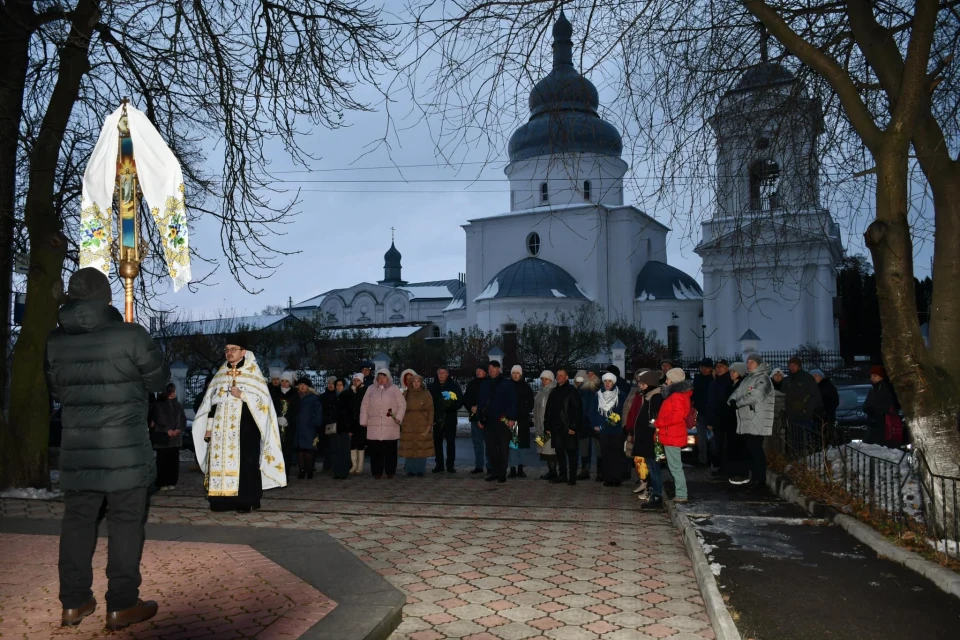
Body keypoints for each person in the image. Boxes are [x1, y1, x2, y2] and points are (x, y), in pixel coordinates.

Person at [46, 268, 169, 630]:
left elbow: (57, 391)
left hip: (79, 448)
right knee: (126, 524)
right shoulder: (130, 335)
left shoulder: (55, 340)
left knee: (77, 524)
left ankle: (74, 602)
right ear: (106, 298)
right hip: (125, 450)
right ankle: (122, 603)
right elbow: (158, 380)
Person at [193, 334, 287, 513]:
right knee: (219, 463)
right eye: (227, 350)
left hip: (246, 430)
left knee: (246, 464)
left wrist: (243, 395)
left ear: (243, 352)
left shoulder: (253, 375)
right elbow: (210, 405)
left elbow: (264, 403)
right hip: (221, 433)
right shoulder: (220, 375)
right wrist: (209, 428)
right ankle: (220, 502)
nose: (229, 353)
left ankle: (246, 501)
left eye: (233, 349)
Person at [728, 355, 776, 491]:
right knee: (751, 451)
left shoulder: (763, 378)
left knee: (756, 451)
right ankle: (754, 478)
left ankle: (760, 481)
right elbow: (737, 392)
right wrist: (731, 400)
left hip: (757, 419)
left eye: (752, 362)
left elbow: (756, 395)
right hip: (747, 420)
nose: (749, 365)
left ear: (759, 364)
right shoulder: (748, 379)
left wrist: (737, 403)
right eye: (748, 362)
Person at [628, 371, 665, 509]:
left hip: (651, 440)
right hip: (647, 439)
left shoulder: (655, 398)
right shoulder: (649, 397)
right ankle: (654, 494)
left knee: (654, 469)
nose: (640, 386)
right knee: (652, 468)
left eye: (642, 383)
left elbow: (654, 420)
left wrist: (648, 432)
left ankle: (657, 496)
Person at [359, 368, 405, 478]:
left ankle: (390, 471)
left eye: (383, 377)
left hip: (390, 425)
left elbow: (402, 404)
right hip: (374, 425)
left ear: (388, 378)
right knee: (375, 451)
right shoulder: (370, 389)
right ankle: (377, 472)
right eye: (379, 377)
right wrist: (363, 420)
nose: (381, 379)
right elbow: (364, 405)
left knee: (391, 450)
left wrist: (398, 417)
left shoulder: (394, 389)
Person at [477, 360, 518, 483]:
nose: (491, 370)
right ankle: (494, 471)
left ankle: (502, 473)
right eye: (489, 368)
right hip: (488, 420)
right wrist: (479, 418)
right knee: (491, 448)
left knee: (503, 448)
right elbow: (481, 402)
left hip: (503, 420)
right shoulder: (485, 383)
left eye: (493, 368)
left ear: (498, 369)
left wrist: (511, 418)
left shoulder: (506, 383)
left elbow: (512, 402)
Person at [656, 368, 693, 504]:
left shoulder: (677, 396)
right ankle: (681, 493)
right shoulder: (678, 395)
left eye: (668, 378)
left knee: (675, 467)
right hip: (672, 433)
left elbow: (676, 416)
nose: (666, 381)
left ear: (674, 380)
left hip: (672, 434)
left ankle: (682, 494)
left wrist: (659, 423)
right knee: (675, 466)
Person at [544, 368, 583, 485]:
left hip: (568, 428)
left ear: (566, 378)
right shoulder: (554, 392)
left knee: (571, 453)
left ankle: (572, 477)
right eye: (558, 375)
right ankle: (562, 475)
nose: (559, 377)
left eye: (561, 375)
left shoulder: (572, 391)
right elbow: (549, 410)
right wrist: (547, 426)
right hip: (556, 428)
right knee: (560, 454)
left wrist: (574, 427)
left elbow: (578, 410)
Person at [588, 372, 627, 486]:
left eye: (610, 381)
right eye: (605, 381)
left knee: (616, 454)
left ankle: (617, 478)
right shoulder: (598, 395)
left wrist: (614, 420)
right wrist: (595, 424)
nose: (607, 383)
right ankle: (608, 478)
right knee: (605, 454)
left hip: (616, 430)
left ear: (613, 382)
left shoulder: (620, 395)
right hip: (602, 431)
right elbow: (592, 411)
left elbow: (621, 411)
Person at [150, 383, 186, 490]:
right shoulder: (158, 405)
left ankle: (172, 481)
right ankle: (162, 482)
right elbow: (158, 419)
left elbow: (183, 419)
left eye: (174, 391)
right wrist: (167, 430)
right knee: (162, 461)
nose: (172, 394)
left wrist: (179, 429)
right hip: (163, 437)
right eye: (170, 391)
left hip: (175, 438)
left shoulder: (178, 405)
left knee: (173, 461)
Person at [428, 366, 463, 473]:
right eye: (439, 373)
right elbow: (429, 402)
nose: (441, 375)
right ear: (437, 374)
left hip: (450, 419)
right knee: (437, 443)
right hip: (437, 419)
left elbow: (460, 401)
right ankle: (439, 464)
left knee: (450, 443)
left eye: (444, 373)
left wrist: (449, 408)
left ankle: (450, 465)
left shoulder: (454, 386)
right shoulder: (432, 387)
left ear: (447, 374)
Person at [400, 374, 435, 477]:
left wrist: (429, 423)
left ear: (421, 383)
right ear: (411, 383)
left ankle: (420, 470)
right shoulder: (406, 393)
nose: (416, 383)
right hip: (409, 423)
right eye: (414, 381)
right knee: (409, 446)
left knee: (422, 446)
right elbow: (401, 408)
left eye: (418, 381)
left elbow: (431, 409)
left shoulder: (426, 393)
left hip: (422, 423)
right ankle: (410, 469)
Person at [705, 360, 735, 478]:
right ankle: (722, 468)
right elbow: (710, 402)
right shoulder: (715, 382)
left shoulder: (727, 382)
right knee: (719, 444)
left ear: (727, 368)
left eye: (721, 367)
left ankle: (726, 469)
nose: (718, 369)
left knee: (724, 445)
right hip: (716, 418)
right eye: (717, 367)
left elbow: (722, 402)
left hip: (724, 418)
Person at [781, 356, 823, 427]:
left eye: (794, 365)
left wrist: (807, 409)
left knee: (803, 435)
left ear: (799, 366)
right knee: (793, 435)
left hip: (804, 415)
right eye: (790, 365)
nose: (792, 367)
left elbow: (815, 395)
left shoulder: (807, 378)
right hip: (790, 415)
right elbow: (782, 394)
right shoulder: (787, 380)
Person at [294, 377, 323, 479]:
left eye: (305, 385)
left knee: (308, 450)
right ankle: (301, 470)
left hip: (309, 427)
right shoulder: (295, 396)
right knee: (299, 450)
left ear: (308, 387)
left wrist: (316, 424)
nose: (302, 387)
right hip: (297, 427)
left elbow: (318, 412)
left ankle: (309, 470)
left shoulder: (313, 398)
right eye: (301, 384)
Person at [509, 365, 535, 478]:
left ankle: (520, 467)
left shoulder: (526, 387)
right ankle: (512, 468)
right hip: (511, 420)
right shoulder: (507, 386)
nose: (515, 375)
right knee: (512, 445)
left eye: (517, 373)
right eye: (513, 373)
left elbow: (530, 403)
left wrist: (523, 411)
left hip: (523, 420)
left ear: (521, 374)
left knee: (522, 446)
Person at [863, 365, 899, 446]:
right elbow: (868, 402)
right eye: (871, 376)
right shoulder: (873, 389)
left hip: (884, 423)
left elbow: (890, 404)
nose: (872, 378)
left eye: (875, 375)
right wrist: (866, 408)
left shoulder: (887, 388)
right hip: (874, 422)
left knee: (881, 445)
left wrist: (874, 409)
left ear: (882, 376)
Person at [463, 366, 489, 474]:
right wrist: (470, 407)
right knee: (477, 443)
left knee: (489, 443)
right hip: (474, 417)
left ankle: (490, 466)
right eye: (477, 370)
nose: (478, 372)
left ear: (485, 372)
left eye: (481, 370)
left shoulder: (489, 383)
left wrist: (483, 408)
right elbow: (466, 399)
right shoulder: (471, 384)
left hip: (487, 417)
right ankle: (479, 466)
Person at [271, 371, 299, 472]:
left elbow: (296, 409)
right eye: (282, 381)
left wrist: (287, 418)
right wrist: (277, 418)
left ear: (290, 382)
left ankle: (286, 471)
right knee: (278, 448)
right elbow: (272, 407)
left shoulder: (294, 394)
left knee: (287, 449)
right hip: (277, 425)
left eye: (286, 381)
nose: (284, 383)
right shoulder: (275, 393)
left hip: (289, 426)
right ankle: (277, 471)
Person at [533, 370, 558, 479]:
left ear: (551, 379)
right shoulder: (541, 392)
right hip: (540, 426)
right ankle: (550, 471)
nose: (544, 381)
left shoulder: (553, 391)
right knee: (543, 451)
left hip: (548, 427)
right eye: (542, 379)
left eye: (546, 379)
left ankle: (554, 472)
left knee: (550, 451)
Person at [577, 369, 601, 481]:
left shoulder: (601, 388)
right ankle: (585, 471)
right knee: (584, 449)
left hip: (597, 423)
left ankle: (600, 472)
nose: (590, 376)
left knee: (599, 449)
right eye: (588, 374)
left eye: (593, 373)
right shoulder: (581, 389)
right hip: (584, 423)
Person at [692, 358, 714, 467]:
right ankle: (703, 460)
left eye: (706, 367)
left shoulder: (713, 379)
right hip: (701, 412)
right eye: (702, 367)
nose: (703, 369)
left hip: (713, 412)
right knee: (701, 439)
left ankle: (714, 460)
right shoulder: (698, 379)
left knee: (714, 438)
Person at [332, 379, 355, 479]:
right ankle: (337, 472)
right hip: (334, 428)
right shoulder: (333, 397)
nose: (338, 386)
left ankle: (344, 472)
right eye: (337, 385)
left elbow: (352, 414)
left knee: (344, 451)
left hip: (345, 427)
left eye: (341, 385)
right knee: (336, 450)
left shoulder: (348, 396)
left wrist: (350, 428)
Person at [347, 373, 368, 474]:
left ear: (361, 381)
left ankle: (360, 466)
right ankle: (354, 465)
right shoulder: (349, 391)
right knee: (352, 444)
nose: (355, 382)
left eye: (358, 380)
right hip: (351, 421)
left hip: (362, 421)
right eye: (354, 380)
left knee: (360, 443)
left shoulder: (365, 391)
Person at [319, 376, 339, 472]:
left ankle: (334, 465)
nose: (330, 385)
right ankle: (326, 465)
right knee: (326, 446)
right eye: (329, 383)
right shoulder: (322, 396)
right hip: (324, 423)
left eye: (332, 383)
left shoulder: (338, 396)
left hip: (335, 423)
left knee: (334, 446)